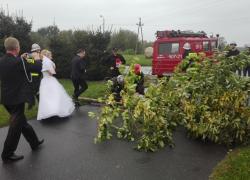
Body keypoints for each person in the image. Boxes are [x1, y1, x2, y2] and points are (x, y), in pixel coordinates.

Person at [0, 37, 44, 163]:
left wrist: (23, 58)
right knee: (15, 127)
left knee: (22, 122)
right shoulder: (20, 62)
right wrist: (36, 58)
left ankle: (34, 142)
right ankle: (7, 154)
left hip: (6, 98)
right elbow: (37, 67)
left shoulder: (2, 61)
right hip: (17, 99)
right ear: (17, 48)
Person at [37, 50, 75, 120]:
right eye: (50, 55)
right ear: (47, 55)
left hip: (45, 80)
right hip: (49, 80)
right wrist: (52, 68)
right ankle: (53, 111)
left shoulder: (45, 62)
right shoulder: (47, 62)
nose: (51, 56)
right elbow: (52, 73)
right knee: (52, 96)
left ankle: (51, 111)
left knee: (48, 97)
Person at [27, 43, 43, 109]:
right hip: (35, 76)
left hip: (31, 76)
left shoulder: (29, 55)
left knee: (32, 90)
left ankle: (30, 104)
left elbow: (30, 65)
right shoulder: (34, 56)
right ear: (37, 50)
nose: (39, 51)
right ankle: (39, 103)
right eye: (39, 50)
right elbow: (35, 66)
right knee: (37, 91)